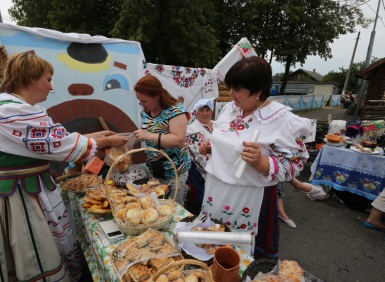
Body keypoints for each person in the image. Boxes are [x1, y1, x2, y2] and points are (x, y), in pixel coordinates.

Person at [0, 52, 128, 282]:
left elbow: (52, 140)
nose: (51, 86)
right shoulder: (11, 111)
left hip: (23, 190)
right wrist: (106, 141)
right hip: (18, 197)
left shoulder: (10, 109)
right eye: (47, 79)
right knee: (33, 254)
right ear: (31, 78)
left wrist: (99, 135)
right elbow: (57, 143)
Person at [199, 57, 315, 256]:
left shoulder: (282, 119)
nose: (231, 95)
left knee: (238, 253)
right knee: (212, 242)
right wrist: (211, 146)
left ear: (259, 91)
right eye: (231, 88)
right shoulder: (230, 109)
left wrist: (262, 162)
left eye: (237, 90)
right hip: (215, 190)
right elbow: (224, 139)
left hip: (249, 198)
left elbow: (296, 162)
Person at [133, 75, 191, 206]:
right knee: (156, 205)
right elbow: (150, 129)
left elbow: (178, 139)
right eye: (140, 101)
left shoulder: (175, 111)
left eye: (144, 101)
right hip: (155, 169)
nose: (142, 104)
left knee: (174, 206)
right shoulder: (146, 110)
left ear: (157, 96)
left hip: (175, 170)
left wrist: (148, 135)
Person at [185, 98, 214, 214]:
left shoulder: (217, 125)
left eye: (207, 110)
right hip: (203, 173)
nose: (204, 113)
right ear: (196, 112)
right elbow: (199, 157)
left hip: (220, 168)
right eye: (201, 110)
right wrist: (215, 172)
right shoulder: (192, 130)